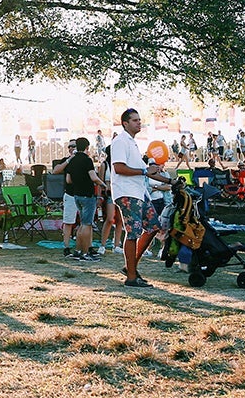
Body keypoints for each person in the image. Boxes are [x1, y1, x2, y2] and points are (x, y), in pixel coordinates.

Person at [112, 109, 172, 287]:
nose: (139, 123)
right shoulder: (120, 141)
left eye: (140, 120)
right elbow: (119, 168)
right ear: (125, 123)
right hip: (127, 193)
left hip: (140, 193)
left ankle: (131, 266)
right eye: (135, 120)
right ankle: (131, 277)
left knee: (154, 227)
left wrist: (171, 181)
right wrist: (145, 171)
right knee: (133, 234)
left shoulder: (133, 143)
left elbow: (148, 172)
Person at [54, 137, 103, 261]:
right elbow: (56, 171)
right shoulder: (75, 160)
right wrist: (103, 184)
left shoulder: (77, 161)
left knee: (85, 223)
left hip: (76, 194)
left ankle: (81, 249)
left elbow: (69, 179)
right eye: (69, 146)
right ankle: (78, 250)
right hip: (78, 195)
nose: (71, 148)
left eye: (73, 146)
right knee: (79, 222)